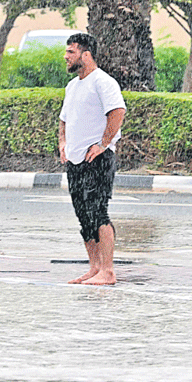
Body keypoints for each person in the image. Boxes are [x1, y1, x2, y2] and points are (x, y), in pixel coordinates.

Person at [58, 33, 126, 286]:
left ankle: (107, 271)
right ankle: (94, 268)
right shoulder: (73, 85)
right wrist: (63, 143)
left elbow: (118, 112)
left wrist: (103, 144)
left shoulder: (103, 82)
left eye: (71, 52)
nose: (66, 57)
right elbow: (64, 119)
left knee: (98, 212)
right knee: (83, 215)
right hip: (75, 160)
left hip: (98, 158)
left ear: (86, 55)